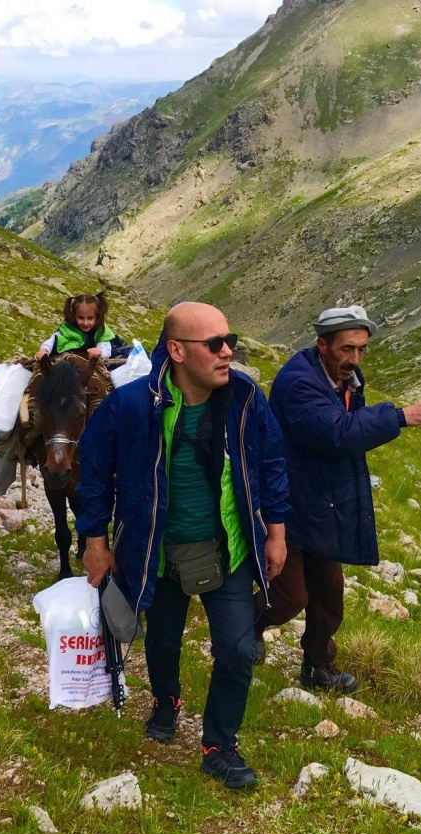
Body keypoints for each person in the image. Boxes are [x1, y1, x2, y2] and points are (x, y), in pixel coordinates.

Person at [76, 302, 289, 790]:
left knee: (238, 649)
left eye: (229, 341)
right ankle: (166, 701)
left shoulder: (245, 399)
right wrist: (95, 542)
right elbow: (95, 474)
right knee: (163, 638)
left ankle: (219, 746)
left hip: (229, 548)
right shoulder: (131, 406)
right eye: (214, 344)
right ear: (176, 350)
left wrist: (276, 533)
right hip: (156, 550)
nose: (227, 352)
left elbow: (272, 463)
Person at [255, 305, 421, 692]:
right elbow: (337, 433)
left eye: (362, 349)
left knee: (329, 593)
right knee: (290, 595)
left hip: (322, 501)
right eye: (347, 349)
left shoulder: (345, 378)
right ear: (322, 344)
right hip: (288, 500)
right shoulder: (298, 383)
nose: (355, 358)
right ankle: (247, 628)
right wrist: (399, 416)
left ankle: (318, 667)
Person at [36, 292, 118, 360]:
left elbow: (106, 349)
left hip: (90, 362)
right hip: (69, 358)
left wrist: (99, 352)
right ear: (74, 315)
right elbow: (54, 339)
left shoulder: (100, 331)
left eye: (90, 318)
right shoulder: (68, 328)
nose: (85, 323)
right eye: (80, 318)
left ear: (97, 317)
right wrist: (44, 350)